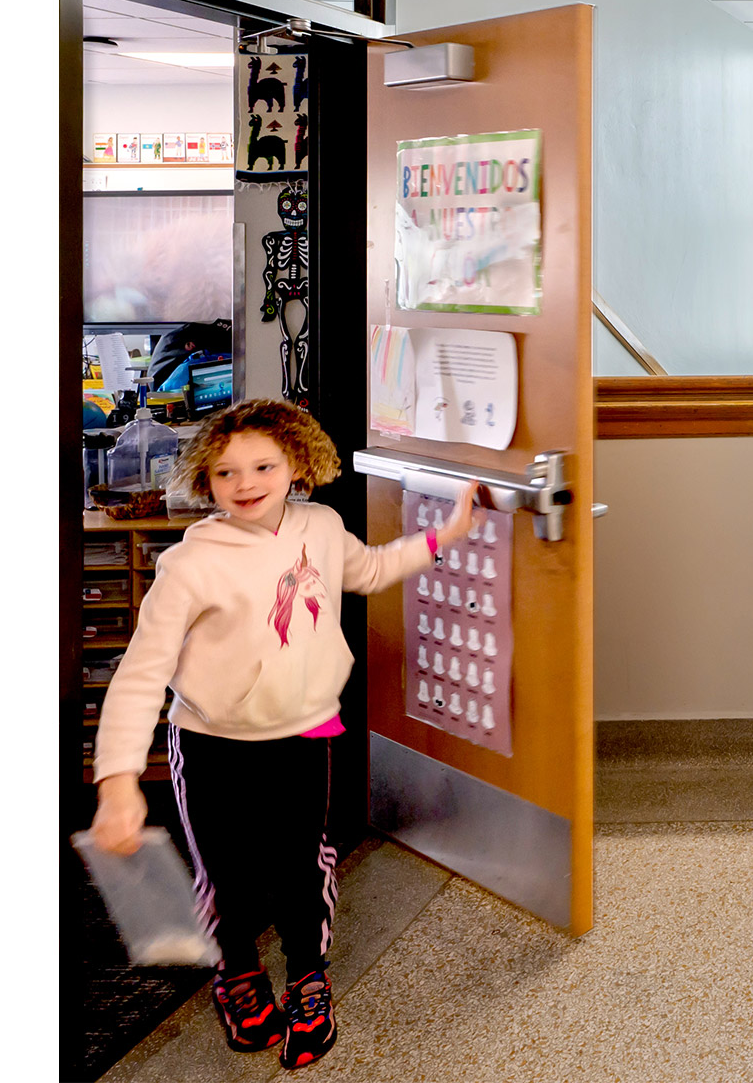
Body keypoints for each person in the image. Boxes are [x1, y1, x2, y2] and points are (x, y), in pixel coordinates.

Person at [88, 398, 474, 1071]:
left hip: (303, 735)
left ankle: (307, 979)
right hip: (212, 744)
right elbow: (141, 673)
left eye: (263, 465)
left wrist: (449, 533)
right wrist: (119, 781)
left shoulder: (322, 526)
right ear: (206, 479)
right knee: (227, 879)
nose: (245, 483)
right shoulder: (190, 563)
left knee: (303, 871)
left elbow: (371, 570)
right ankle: (238, 979)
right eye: (226, 472)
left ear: (297, 462)